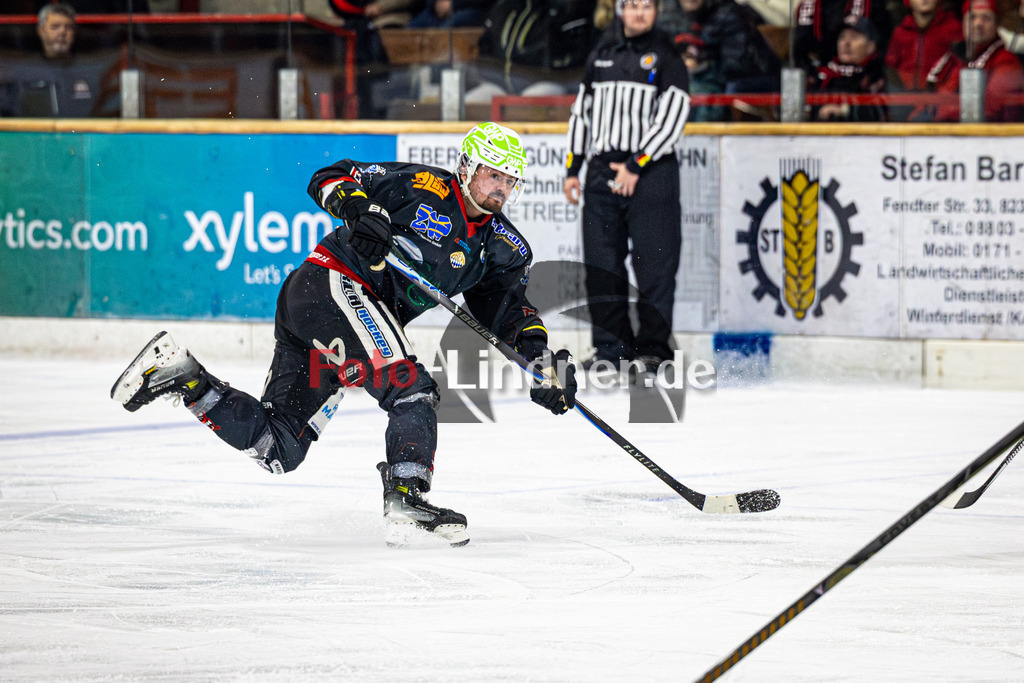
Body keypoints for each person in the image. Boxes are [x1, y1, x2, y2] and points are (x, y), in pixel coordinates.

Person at [110, 123, 578, 548]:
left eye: (510, 180)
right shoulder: (422, 187)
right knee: (409, 386)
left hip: (325, 318)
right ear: (467, 168)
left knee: (280, 447)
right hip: (332, 285)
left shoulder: (505, 247)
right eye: (493, 174)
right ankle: (406, 498)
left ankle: (183, 376)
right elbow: (333, 175)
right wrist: (361, 210)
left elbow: (509, 311)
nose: (501, 188)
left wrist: (540, 361)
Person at [563, 0, 690, 374]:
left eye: (646, 5)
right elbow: (582, 113)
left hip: (650, 174)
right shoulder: (601, 53)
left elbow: (674, 115)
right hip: (602, 173)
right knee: (602, 266)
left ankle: (654, 351)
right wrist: (574, 168)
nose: (639, 12)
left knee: (655, 266)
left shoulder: (666, 55)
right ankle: (609, 351)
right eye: (632, 5)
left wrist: (636, 165)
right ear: (620, 9)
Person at [657, 0, 781, 121]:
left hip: (748, 79)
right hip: (697, 76)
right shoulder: (667, 18)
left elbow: (736, 65)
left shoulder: (729, 14)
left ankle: (703, 138)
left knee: (702, 90)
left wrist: (700, 66)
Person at [0, 2, 113, 117]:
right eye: (55, 27)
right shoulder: (22, 73)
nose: (62, 32)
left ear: (74, 32)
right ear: (41, 31)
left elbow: (103, 115)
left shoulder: (88, 72)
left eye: (68, 27)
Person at [922, 0, 1024, 121]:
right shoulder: (950, 59)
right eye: (972, 18)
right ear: (963, 23)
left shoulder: (1007, 61)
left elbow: (989, 110)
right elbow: (924, 103)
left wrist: (943, 114)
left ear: (997, 24)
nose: (978, 23)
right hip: (936, 134)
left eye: (986, 18)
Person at [810, 15, 888, 121]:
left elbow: (879, 113)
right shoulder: (824, 75)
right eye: (842, 37)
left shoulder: (876, 76)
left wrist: (845, 111)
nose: (846, 43)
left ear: (870, 47)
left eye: (854, 37)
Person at [792, 0, 892, 74]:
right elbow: (800, 52)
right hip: (820, 79)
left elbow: (881, 47)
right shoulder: (807, 7)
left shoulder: (871, 5)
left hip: (862, 77)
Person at [885, 0, 962, 95]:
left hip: (940, 100)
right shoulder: (900, 32)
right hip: (904, 100)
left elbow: (959, 66)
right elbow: (891, 69)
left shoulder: (953, 28)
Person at [407, 0, 489, 28]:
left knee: (444, 33)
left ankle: (438, 67)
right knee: (410, 31)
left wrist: (452, 4)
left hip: (472, 10)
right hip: (435, 11)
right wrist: (435, 5)